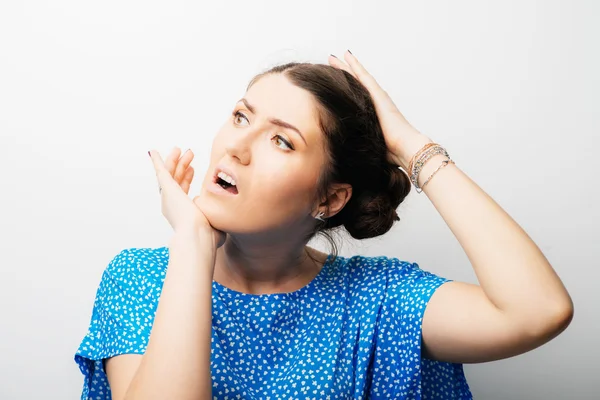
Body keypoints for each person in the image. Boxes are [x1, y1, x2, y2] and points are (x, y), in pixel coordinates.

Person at [74, 51, 573, 400]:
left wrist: (410, 145)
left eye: (282, 141)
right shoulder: (140, 279)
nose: (236, 147)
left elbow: (538, 311)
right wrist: (192, 244)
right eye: (242, 117)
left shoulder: (375, 299)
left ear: (330, 198)